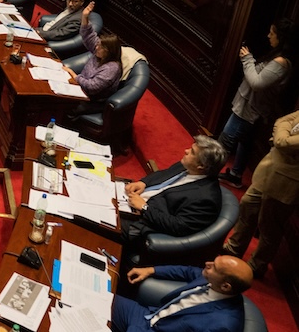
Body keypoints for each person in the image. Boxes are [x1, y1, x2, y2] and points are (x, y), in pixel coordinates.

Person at [217, 19, 294, 189]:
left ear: (281, 37)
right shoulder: (276, 57)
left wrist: (247, 59)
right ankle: (236, 175)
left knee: (225, 141)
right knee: (245, 141)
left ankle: (206, 174)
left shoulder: (281, 63)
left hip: (249, 110)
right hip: (249, 107)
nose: (268, 36)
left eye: (272, 33)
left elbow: (256, 83)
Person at [224, 110, 299, 278]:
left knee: (269, 226)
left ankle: (256, 266)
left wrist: (282, 133)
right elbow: (282, 119)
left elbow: (281, 141)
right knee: (247, 205)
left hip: (286, 182)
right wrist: (283, 132)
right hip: (268, 169)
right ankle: (234, 248)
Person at [122, 136, 227, 245]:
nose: (186, 151)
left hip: (142, 223)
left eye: (192, 152)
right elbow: (163, 174)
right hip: (132, 202)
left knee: (103, 222)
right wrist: (143, 183)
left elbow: (177, 226)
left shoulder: (206, 200)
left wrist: (144, 208)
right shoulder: (187, 166)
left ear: (201, 166)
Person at [110, 255, 252, 332]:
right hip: (147, 316)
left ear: (226, 286)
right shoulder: (212, 280)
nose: (207, 263)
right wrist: (151, 270)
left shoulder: (223, 325)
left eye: (214, 267)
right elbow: (187, 271)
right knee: (100, 299)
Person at [62, 1, 122, 102]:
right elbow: (89, 35)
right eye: (98, 45)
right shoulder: (100, 50)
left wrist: (73, 75)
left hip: (90, 99)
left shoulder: (112, 68)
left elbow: (92, 87)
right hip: (78, 88)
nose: (96, 48)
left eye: (100, 47)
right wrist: (85, 16)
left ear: (109, 51)